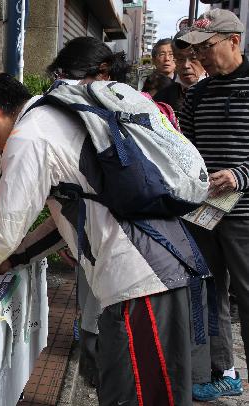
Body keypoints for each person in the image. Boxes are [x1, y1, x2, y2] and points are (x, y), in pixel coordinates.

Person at [0, 37, 201, 405]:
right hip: (153, 270)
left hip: (142, 279)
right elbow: (68, 216)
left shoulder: (30, 136)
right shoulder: (55, 116)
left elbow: (1, 236)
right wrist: (13, 259)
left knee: (141, 395)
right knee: (132, 389)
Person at [177, 8, 248, 401]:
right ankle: (222, 372)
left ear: (234, 41)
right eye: (194, 50)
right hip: (204, 210)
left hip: (245, 215)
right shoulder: (198, 93)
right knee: (206, 292)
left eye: (206, 48)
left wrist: (241, 174)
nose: (197, 57)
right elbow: (185, 149)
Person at [154, 28, 206, 115]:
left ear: (204, 57)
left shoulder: (217, 92)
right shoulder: (162, 98)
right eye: (180, 58)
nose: (186, 65)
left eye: (193, 58)